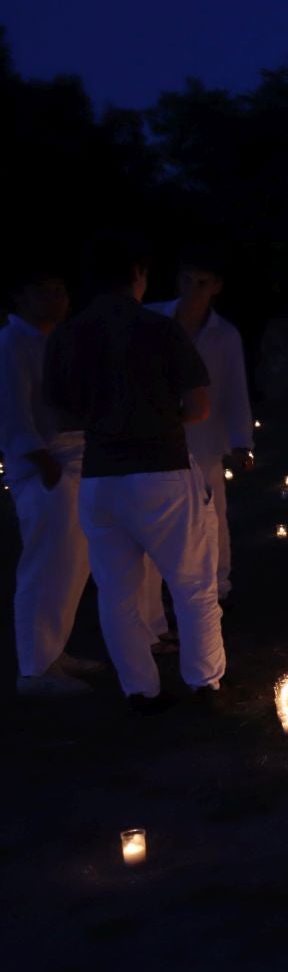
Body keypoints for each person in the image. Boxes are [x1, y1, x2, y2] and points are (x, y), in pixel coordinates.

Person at [43, 246, 225, 710]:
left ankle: (139, 689)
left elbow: (55, 411)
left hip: (101, 479)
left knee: (117, 592)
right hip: (161, 472)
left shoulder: (67, 336)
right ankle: (203, 681)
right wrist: (157, 419)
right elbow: (199, 407)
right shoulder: (158, 329)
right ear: (138, 275)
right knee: (192, 585)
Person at [2, 268, 103, 695]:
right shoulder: (12, 343)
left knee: (71, 563)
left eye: (60, 290)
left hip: (71, 457)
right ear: (20, 297)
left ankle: (52, 652)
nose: (55, 300)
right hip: (45, 463)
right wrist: (42, 461)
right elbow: (11, 409)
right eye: (43, 291)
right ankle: (36, 668)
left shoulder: (53, 340)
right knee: (47, 563)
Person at [141, 251, 253, 606]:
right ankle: (154, 594)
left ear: (216, 287)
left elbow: (235, 390)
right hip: (155, 439)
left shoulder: (224, 335)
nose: (192, 289)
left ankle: (217, 585)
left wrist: (241, 442)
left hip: (205, 441)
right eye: (186, 280)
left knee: (211, 515)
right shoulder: (152, 319)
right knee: (155, 516)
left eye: (201, 283)